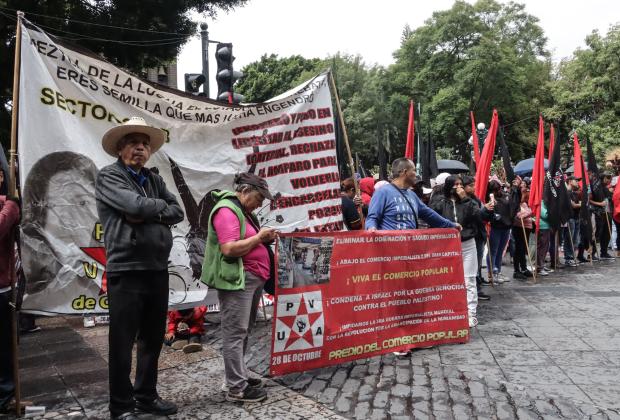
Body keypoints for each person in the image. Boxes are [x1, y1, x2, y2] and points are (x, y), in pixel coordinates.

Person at [95, 116, 184, 420]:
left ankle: (146, 396)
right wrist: (153, 210)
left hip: (156, 268)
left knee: (153, 338)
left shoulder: (154, 179)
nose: (140, 148)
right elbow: (133, 207)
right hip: (127, 269)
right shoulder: (109, 176)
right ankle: (121, 407)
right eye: (133, 143)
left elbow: (177, 211)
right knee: (122, 342)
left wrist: (151, 211)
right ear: (120, 149)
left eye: (145, 144)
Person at [201, 172, 277, 403]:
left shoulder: (241, 211)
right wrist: (259, 238)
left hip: (250, 280)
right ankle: (237, 388)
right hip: (238, 280)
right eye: (258, 198)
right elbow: (229, 249)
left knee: (242, 330)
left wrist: (263, 240)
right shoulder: (227, 210)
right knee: (235, 333)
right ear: (244, 191)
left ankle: (239, 376)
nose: (260, 203)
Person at [430, 175, 491, 327]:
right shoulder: (439, 202)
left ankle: (471, 313)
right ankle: (448, 310)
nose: (459, 187)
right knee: (447, 279)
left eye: (460, 184)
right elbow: (432, 219)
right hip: (447, 245)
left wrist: (466, 200)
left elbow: (479, 216)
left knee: (469, 279)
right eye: (455, 184)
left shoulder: (469, 201)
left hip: (467, 244)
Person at [365, 159, 460, 232]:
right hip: (389, 251)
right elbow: (372, 217)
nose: (416, 174)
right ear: (405, 172)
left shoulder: (412, 195)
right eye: (414, 170)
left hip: (410, 250)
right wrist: (371, 228)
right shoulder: (382, 192)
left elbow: (429, 215)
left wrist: (451, 225)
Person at [0, 194, 19, 413]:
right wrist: (13, 206)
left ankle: (5, 395)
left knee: (5, 348)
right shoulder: (8, 206)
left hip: (4, 287)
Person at [461, 176, 492, 301]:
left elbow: (482, 216)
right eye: (471, 185)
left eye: (474, 185)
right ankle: (474, 291)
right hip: (470, 235)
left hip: (479, 235)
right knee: (472, 266)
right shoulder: (463, 201)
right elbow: (472, 215)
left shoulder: (475, 199)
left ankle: (476, 289)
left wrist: (487, 210)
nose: (474, 188)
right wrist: (483, 210)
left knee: (477, 265)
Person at [486, 180, 514, 283]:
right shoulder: (489, 198)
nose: (497, 192)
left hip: (506, 227)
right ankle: (491, 273)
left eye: (498, 189)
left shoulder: (506, 196)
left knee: (500, 251)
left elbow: (512, 208)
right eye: (494, 190)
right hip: (495, 227)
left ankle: (497, 271)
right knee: (493, 251)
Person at [512, 182, 534, 279]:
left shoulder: (525, 203)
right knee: (519, 249)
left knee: (524, 249)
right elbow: (519, 216)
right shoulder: (516, 204)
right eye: (524, 192)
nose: (526, 194)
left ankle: (524, 268)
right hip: (519, 228)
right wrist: (531, 212)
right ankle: (517, 270)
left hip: (527, 228)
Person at [563, 176, 582, 266]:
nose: (577, 182)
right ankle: (568, 258)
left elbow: (577, 204)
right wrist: (580, 204)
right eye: (576, 180)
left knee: (575, 240)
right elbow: (573, 205)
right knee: (569, 239)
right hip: (570, 218)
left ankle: (572, 256)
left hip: (576, 217)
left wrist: (579, 204)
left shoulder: (574, 193)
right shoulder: (566, 192)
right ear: (570, 181)